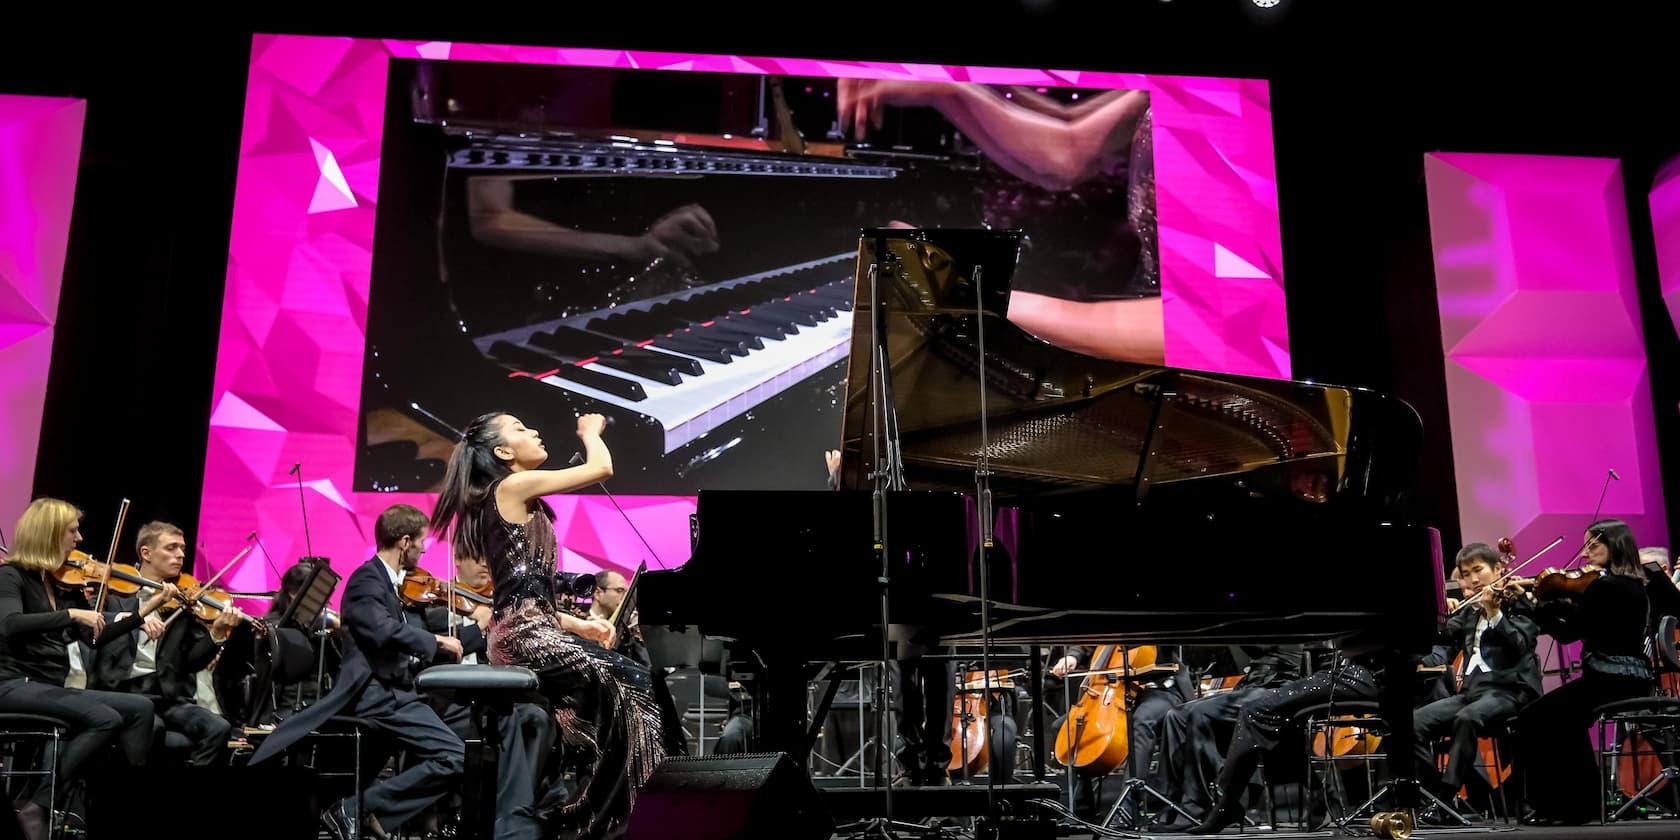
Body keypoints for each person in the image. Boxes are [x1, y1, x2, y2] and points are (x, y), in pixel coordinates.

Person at [429, 411, 682, 839]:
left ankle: (611, 807)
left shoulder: (520, 497)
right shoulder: (511, 485)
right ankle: (632, 812)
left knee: (620, 690)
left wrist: (579, 627)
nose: (534, 430)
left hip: (529, 630)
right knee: (633, 679)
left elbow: (527, 593)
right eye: (521, 428)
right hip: (523, 638)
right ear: (504, 452)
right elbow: (601, 468)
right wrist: (589, 432)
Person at [837, 79, 1163, 365]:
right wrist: (946, 84)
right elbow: (1070, 142)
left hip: (1170, 362)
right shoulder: (1165, 88)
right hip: (1132, 323)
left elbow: (1201, 328)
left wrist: (964, 291)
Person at [249, 504, 467, 840]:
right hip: (378, 695)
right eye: (422, 542)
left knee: (470, 724)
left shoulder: (388, 581)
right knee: (454, 756)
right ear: (405, 542)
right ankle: (355, 810)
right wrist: (436, 642)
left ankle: (409, 819)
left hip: (399, 692)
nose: (425, 549)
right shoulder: (366, 579)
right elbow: (382, 630)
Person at [0, 499, 164, 840]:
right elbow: (9, 624)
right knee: (105, 717)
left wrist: (142, 613)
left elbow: (92, 639)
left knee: (141, 708)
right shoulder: (10, 576)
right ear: (50, 534)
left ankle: (118, 807)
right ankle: (39, 806)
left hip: (45, 687)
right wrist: (72, 614)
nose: (79, 538)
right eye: (72, 531)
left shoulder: (54, 584)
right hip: (12, 684)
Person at [1514, 519, 1680, 825]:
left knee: (1533, 718)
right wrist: (1555, 605)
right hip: (1635, 680)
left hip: (1608, 680)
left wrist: (1531, 607)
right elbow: (1590, 618)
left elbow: (1567, 634)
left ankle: (1559, 806)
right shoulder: (1635, 585)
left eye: (1594, 544)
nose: (1586, 551)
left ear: (1614, 546)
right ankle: (1576, 804)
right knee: (1562, 719)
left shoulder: (1604, 586)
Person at [85, 520, 244, 766]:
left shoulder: (186, 601)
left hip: (167, 698)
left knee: (219, 728)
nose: (180, 555)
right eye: (171, 548)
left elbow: (193, 662)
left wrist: (218, 633)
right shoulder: (112, 595)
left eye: (182, 548)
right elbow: (93, 633)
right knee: (152, 727)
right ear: (146, 553)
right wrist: (135, 617)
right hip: (120, 693)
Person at [1188, 647, 1381, 833]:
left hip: (1358, 674)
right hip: (1350, 672)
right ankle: (1319, 797)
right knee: (1278, 715)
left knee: (1256, 711)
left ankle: (1226, 806)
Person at [1412, 543, 1542, 819]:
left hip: (1510, 691)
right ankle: (1442, 800)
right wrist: (1441, 612)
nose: (1472, 579)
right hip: (1473, 693)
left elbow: (1521, 644)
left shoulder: (1519, 602)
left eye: (1478, 570)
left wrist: (1495, 614)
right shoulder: (1470, 610)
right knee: (1412, 725)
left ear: (1497, 569)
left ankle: (1445, 801)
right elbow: (1444, 636)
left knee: (1467, 719)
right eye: (1466, 573)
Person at [1157, 645, 1306, 825]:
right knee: (1176, 716)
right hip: (1252, 684)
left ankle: (1199, 804)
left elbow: (1263, 644)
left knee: (1201, 713)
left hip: (1277, 687)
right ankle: (1170, 801)